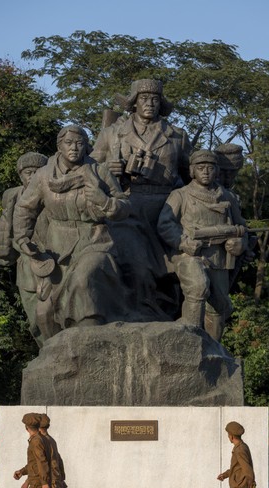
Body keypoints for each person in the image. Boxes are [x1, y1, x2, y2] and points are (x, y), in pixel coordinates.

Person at [13, 125, 131, 339]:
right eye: (69, 143)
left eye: (80, 143)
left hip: (94, 241)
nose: (74, 148)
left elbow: (124, 207)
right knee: (44, 312)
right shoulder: (43, 176)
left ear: (86, 146)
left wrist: (104, 202)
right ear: (59, 146)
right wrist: (22, 237)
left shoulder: (99, 171)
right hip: (57, 248)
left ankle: (89, 344)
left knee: (83, 281)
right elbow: (25, 208)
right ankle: (57, 361)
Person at [91, 79, 192, 319]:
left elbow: (191, 177)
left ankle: (168, 317)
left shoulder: (177, 136)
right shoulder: (111, 134)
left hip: (166, 208)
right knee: (135, 267)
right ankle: (134, 315)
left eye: (155, 99)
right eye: (144, 99)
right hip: (127, 206)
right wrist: (107, 167)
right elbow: (89, 169)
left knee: (171, 274)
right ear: (134, 103)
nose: (150, 103)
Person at [157, 150, 248, 341]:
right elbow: (165, 224)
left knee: (219, 305)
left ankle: (213, 351)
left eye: (210, 167)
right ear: (192, 171)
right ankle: (190, 341)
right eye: (200, 168)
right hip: (188, 255)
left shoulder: (227, 197)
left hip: (218, 258)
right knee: (198, 287)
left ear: (216, 170)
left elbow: (241, 228)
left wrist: (239, 244)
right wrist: (184, 243)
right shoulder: (180, 195)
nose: (205, 172)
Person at [0, 152, 49, 346]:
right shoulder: (13, 197)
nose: (32, 177)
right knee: (34, 319)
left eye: (37, 172)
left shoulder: (53, 194)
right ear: (20, 175)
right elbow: (5, 229)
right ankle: (45, 352)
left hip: (53, 262)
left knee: (53, 314)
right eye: (28, 172)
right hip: (26, 266)